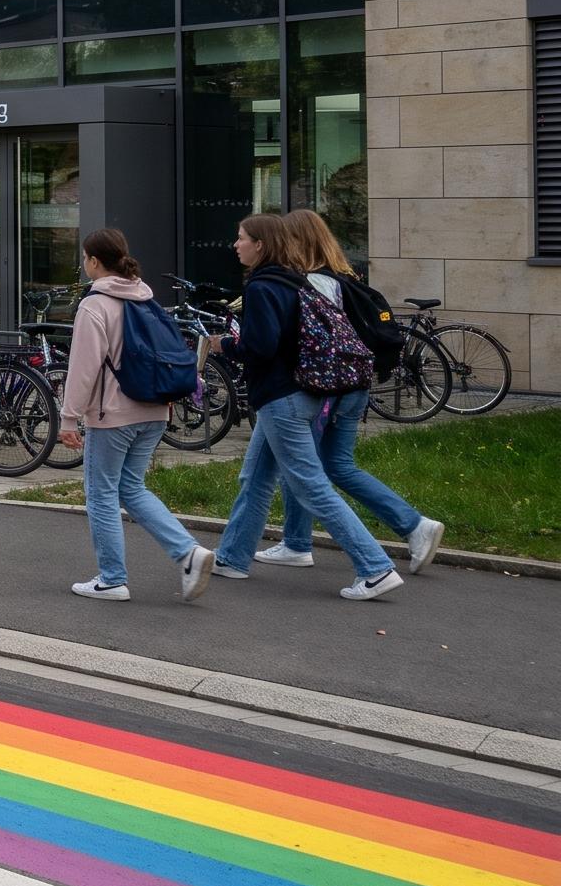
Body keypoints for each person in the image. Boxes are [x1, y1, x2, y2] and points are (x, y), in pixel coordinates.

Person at [210, 214, 403, 600]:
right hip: (302, 393)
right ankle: (232, 558)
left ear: (260, 244)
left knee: (311, 485)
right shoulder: (297, 281)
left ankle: (376, 567)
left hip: (283, 399)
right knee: (256, 477)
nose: (236, 244)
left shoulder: (263, 287)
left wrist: (224, 346)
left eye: (241, 237)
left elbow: (260, 347)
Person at [264, 210, 446, 576]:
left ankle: (302, 544)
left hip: (324, 388)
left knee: (303, 469)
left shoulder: (310, 283)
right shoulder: (345, 277)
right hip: (355, 385)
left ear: (296, 241)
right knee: (335, 466)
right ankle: (413, 526)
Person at [57, 228, 215, 602]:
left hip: (113, 414)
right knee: (131, 487)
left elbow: (83, 367)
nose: (84, 264)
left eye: (85, 258)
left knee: (100, 493)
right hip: (156, 409)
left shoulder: (94, 305)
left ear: (94, 262)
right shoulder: (146, 298)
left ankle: (112, 579)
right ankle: (188, 553)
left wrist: (68, 417)